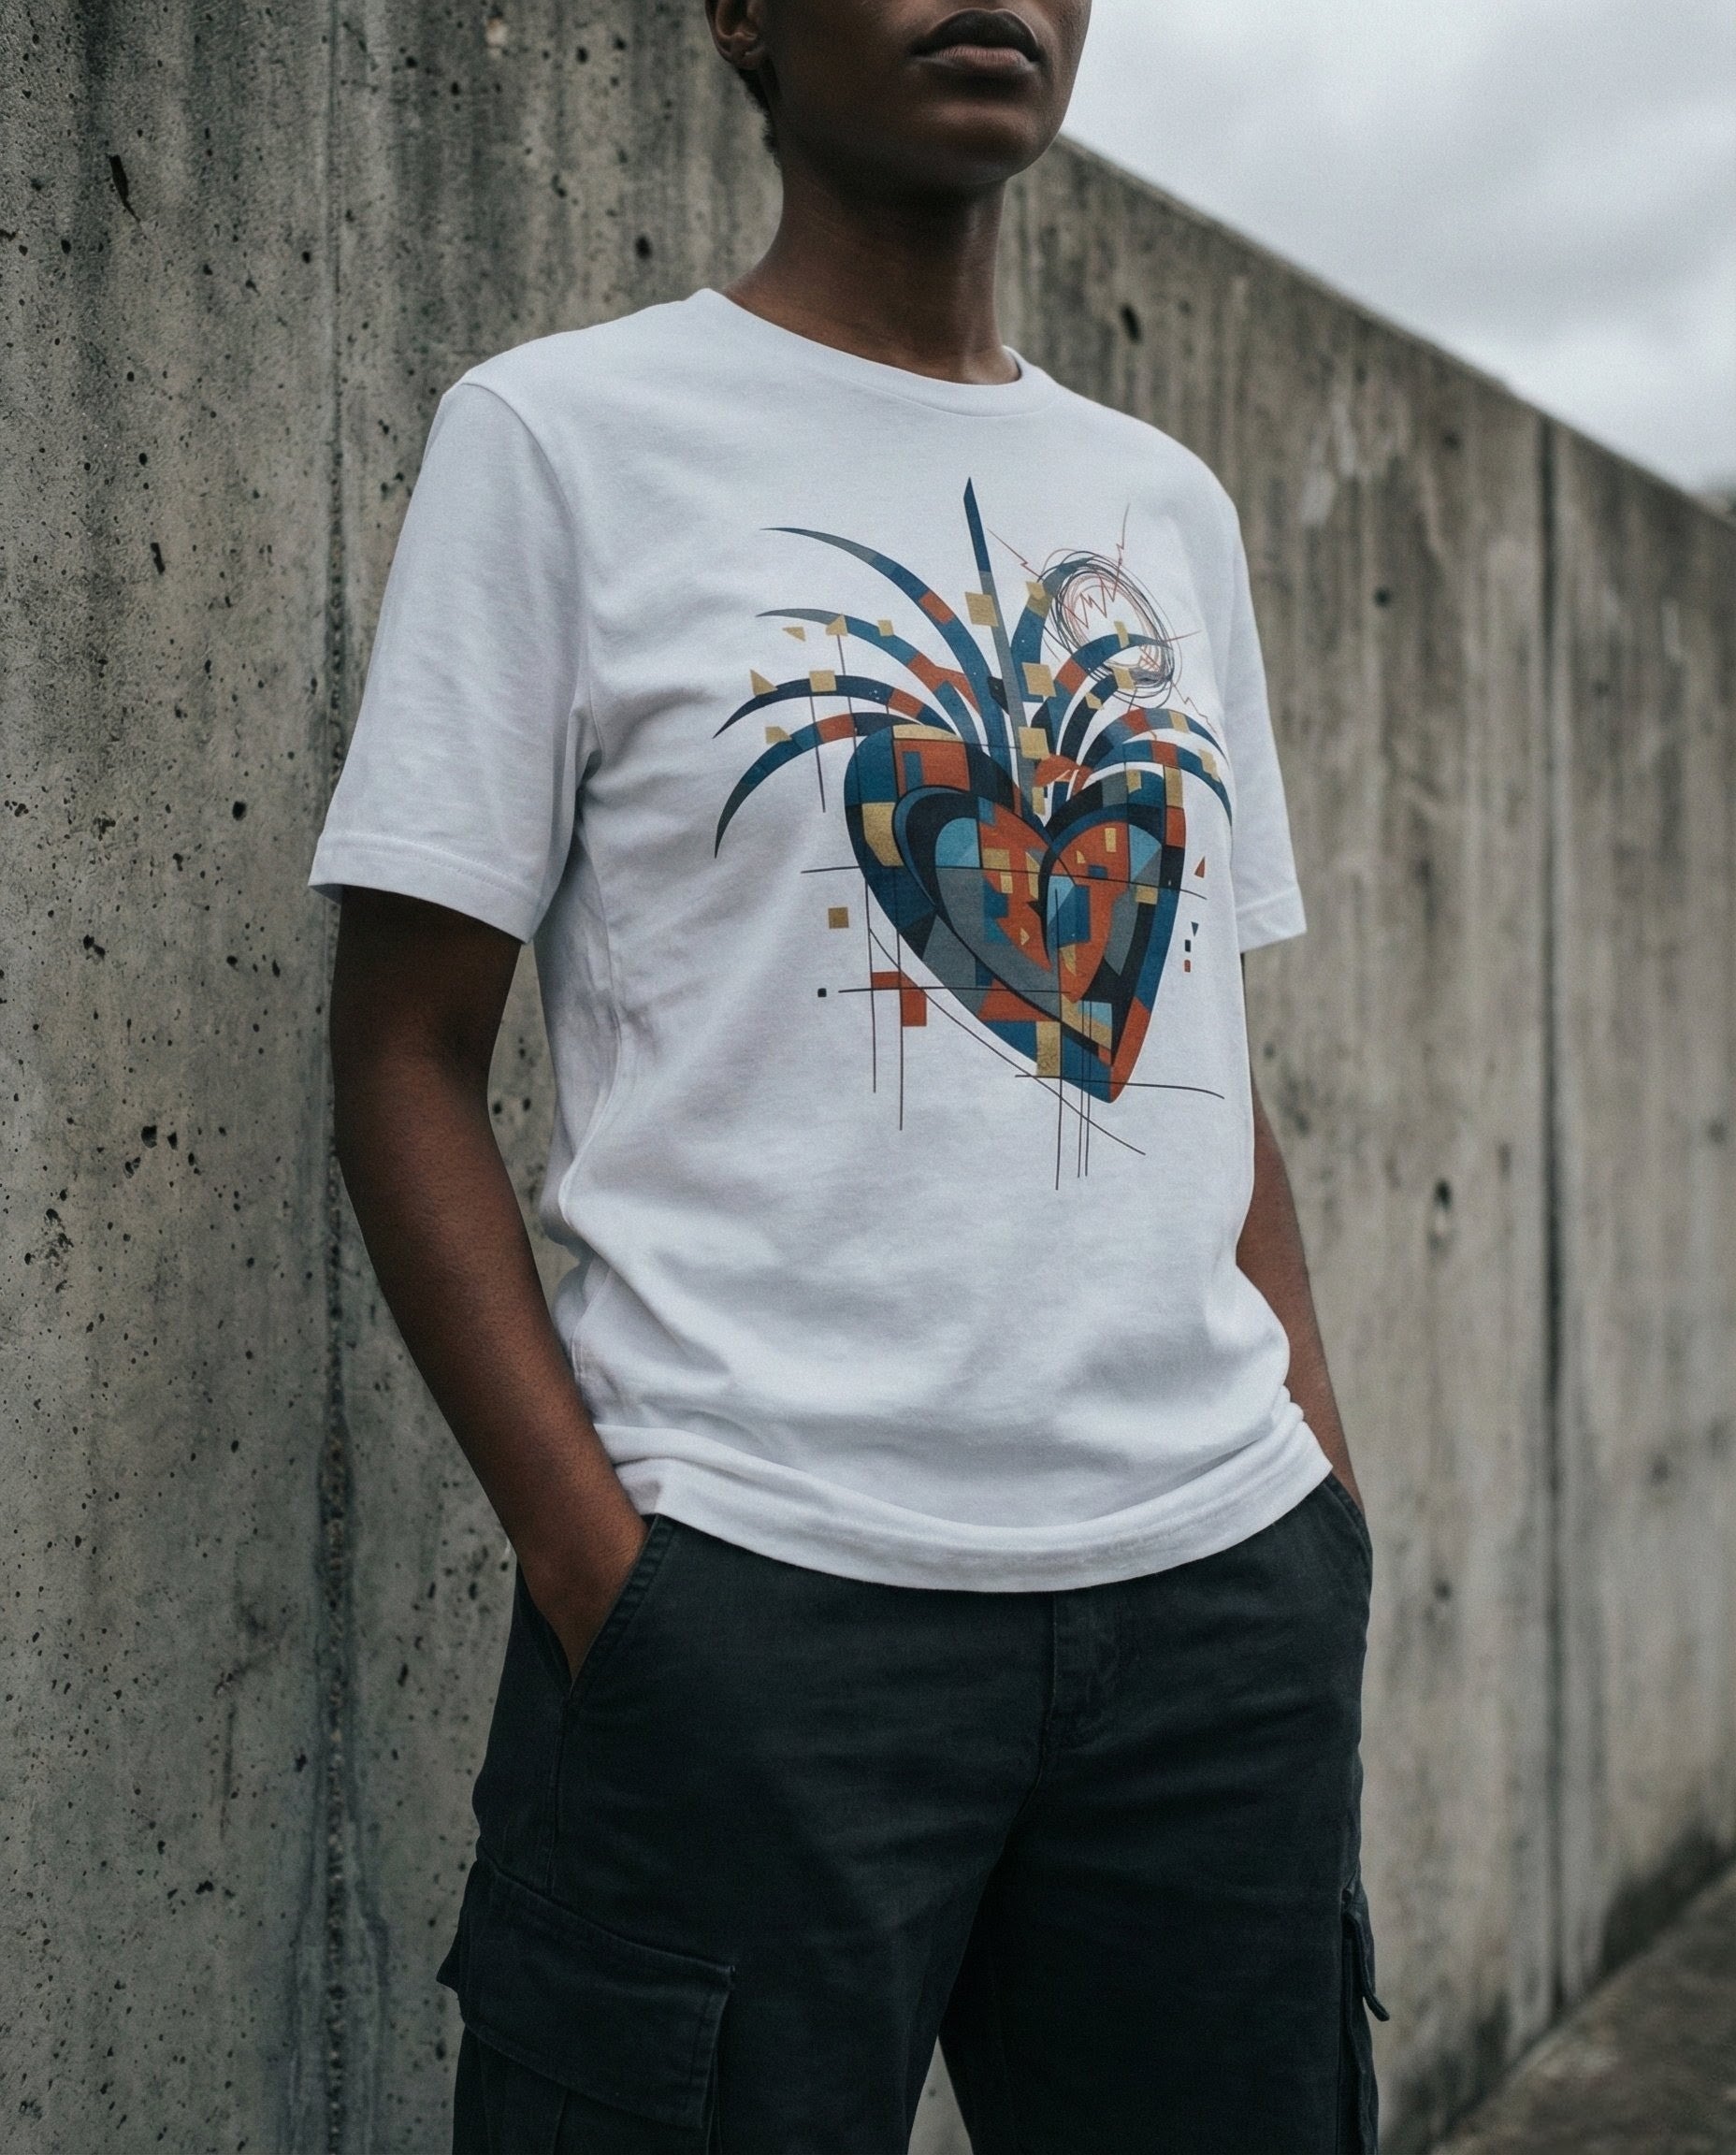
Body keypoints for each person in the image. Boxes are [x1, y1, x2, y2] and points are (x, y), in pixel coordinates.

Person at [309, 2, 1385, 2148]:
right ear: (737, 14)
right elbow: (405, 1055)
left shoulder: (1156, 501)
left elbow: (1199, 1043)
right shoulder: (560, 437)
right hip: (753, 1616)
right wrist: (599, 1573)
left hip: (1211, 1618)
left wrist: (1320, 1508)